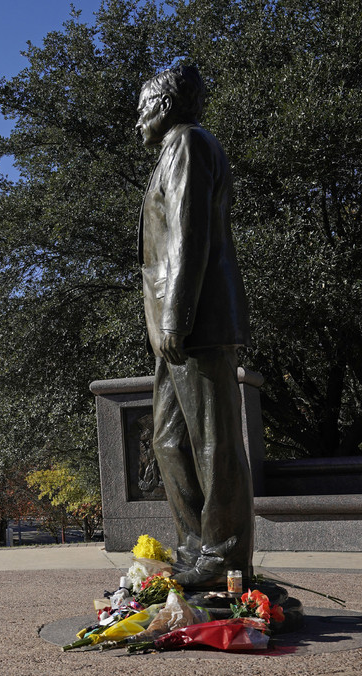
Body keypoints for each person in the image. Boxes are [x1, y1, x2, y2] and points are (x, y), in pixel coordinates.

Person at [136, 64, 254, 589]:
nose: (136, 119)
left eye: (142, 107)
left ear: (164, 106)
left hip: (195, 324)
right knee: (168, 440)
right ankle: (194, 547)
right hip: (174, 333)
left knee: (214, 444)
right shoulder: (173, 151)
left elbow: (189, 236)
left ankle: (224, 557)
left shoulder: (187, 143)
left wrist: (175, 318)